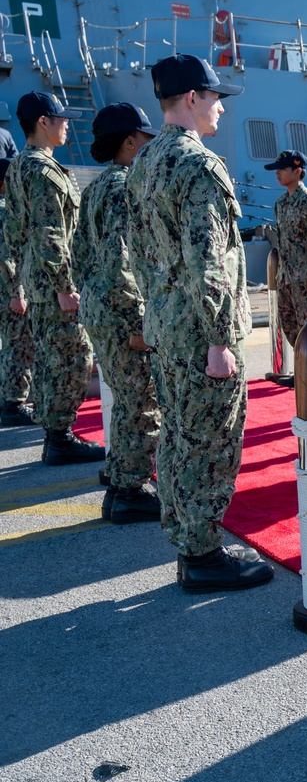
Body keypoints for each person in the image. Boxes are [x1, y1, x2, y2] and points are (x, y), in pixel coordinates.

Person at [125, 54, 273, 592]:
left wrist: (157, 313)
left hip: (167, 325)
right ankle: (204, 554)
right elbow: (209, 259)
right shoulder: (198, 165)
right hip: (199, 333)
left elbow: (139, 252)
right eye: (214, 98)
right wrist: (218, 340)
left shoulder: (142, 164)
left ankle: (189, 545)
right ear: (191, 98)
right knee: (210, 443)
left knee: (180, 438)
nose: (220, 109)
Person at [3, 92, 104, 465]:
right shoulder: (44, 172)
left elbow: (15, 232)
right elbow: (51, 234)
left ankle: (54, 433)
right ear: (42, 122)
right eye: (61, 119)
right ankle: (60, 437)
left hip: (34, 279)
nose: (66, 125)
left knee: (49, 359)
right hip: (53, 283)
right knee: (73, 360)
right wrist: (65, 286)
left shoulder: (17, 167)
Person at [73, 103, 162, 524]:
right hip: (119, 311)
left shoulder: (94, 188)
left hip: (98, 306)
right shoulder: (124, 188)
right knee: (139, 401)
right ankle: (131, 490)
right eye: (145, 139)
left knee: (125, 398)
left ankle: (119, 482)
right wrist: (135, 324)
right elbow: (119, 260)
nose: (149, 146)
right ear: (130, 142)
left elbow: (80, 256)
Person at [265, 149, 307, 354]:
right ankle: (301, 373)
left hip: (305, 280)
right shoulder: (281, 204)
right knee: (290, 327)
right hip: (286, 278)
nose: (277, 173)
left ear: (297, 171)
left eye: (282, 169)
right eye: (276, 170)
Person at [0, 156, 36, 427]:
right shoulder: (4, 210)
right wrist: (17, 293)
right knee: (18, 346)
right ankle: (14, 401)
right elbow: (7, 256)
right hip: (8, 291)